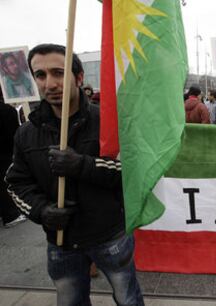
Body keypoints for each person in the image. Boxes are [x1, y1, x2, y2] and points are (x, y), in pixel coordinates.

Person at [5, 44, 144, 306]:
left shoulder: (110, 123)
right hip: (61, 242)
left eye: (59, 72)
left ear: (79, 78)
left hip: (111, 236)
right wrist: (41, 210)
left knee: (128, 299)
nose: (50, 83)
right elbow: (16, 184)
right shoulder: (26, 133)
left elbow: (134, 172)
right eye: (41, 75)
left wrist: (83, 165)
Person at [0, 88, 26, 227]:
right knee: (6, 183)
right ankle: (10, 215)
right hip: (5, 154)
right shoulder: (7, 111)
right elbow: (14, 135)